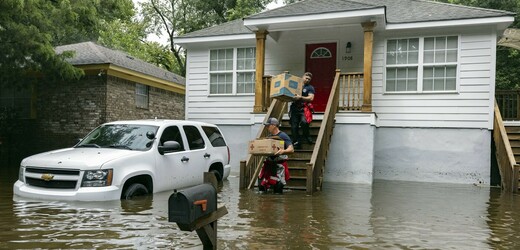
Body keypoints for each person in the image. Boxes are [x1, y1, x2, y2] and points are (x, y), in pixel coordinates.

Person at [258, 117, 294, 194]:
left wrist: (283, 151)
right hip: (268, 164)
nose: (267, 127)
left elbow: (291, 149)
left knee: (278, 188)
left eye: (268, 125)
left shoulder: (283, 136)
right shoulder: (269, 137)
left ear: (274, 125)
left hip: (279, 165)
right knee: (261, 186)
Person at [290, 72, 315, 149]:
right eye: (306, 78)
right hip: (294, 108)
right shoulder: (295, 85)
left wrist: (301, 97)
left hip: (303, 108)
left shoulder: (310, 88)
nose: (307, 80)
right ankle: (296, 142)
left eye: (309, 79)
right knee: (294, 126)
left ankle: (307, 135)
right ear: (302, 77)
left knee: (304, 122)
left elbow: (311, 98)